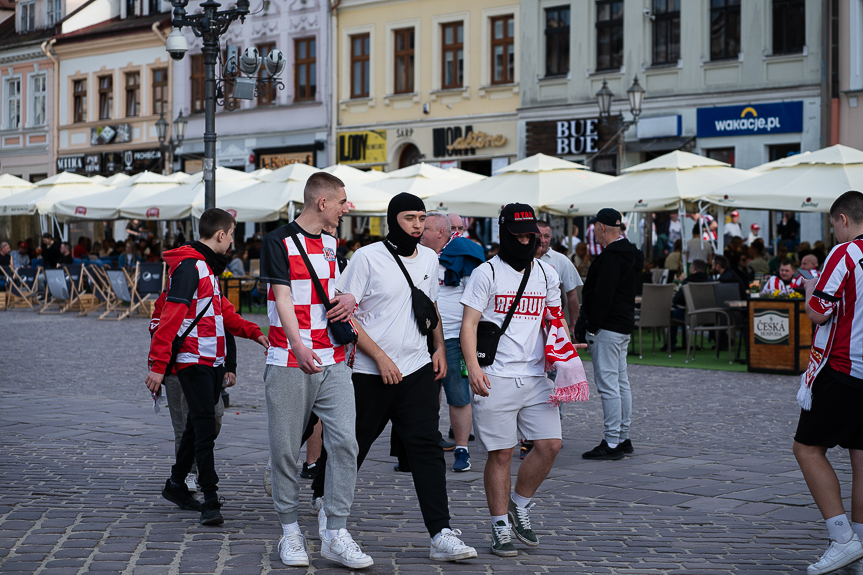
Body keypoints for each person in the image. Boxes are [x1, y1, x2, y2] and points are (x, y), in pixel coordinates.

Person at [317, 192, 477, 563]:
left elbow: (430, 303)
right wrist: (380, 357)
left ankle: (441, 533)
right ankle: (330, 514)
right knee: (350, 447)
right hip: (370, 373)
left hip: (417, 369)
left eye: (421, 218)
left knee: (426, 450)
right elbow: (344, 314)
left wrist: (438, 346)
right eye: (409, 218)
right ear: (393, 220)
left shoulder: (430, 257)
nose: (417, 225)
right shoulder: (367, 257)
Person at [259, 172, 372, 568]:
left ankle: (335, 532)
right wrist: (297, 344)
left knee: (345, 443)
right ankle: (290, 532)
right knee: (286, 450)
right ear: (322, 203)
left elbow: (329, 287)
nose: (347, 207)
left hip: (333, 357)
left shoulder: (330, 241)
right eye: (342, 201)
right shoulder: (276, 240)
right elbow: (283, 296)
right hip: (291, 360)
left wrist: (346, 299)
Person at [460, 203, 586, 557]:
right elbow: (468, 324)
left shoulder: (547, 273)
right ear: (504, 235)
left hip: (535, 377)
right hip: (495, 374)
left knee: (550, 445)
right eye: (517, 235)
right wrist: (473, 366)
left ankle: (519, 504)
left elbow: (553, 318)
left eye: (530, 235)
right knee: (501, 454)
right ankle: (500, 527)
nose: (525, 240)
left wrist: (563, 350)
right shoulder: (486, 273)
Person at [145, 208, 269, 527]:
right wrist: (158, 367)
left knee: (195, 426)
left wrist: (255, 333)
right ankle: (211, 499)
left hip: (212, 360)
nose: (232, 242)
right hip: (192, 360)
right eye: (231, 236)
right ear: (220, 235)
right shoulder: (191, 266)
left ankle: (175, 484)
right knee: (203, 426)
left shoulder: (206, 268)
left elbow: (223, 312)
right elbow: (171, 318)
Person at [794, 190, 863, 575]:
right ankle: (860, 543)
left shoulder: (845, 253)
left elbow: (819, 312)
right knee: (862, 459)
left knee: (806, 449)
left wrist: (809, 289)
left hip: (842, 367)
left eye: (833, 224)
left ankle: (842, 539)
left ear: (842, 220)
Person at [575, 208, 643, 460]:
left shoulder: (611, 257)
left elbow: (602, 295)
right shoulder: (631, 254)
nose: (593, 232)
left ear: (602, 228)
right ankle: (622, 437)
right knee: (620, 382)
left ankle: (613, 441)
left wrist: (591, 325)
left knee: (609, 385)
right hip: (622, 324)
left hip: (608, 327)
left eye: (594, 228)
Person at [150, 290, 234, 494]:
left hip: (208, 368)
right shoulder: (168, 297)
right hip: (178, 372)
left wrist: (230, 364)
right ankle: (188, 473)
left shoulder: (212, 293)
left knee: (214, 418)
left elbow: (227, 326)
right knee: (183, 425)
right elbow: (157, 332)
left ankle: (189, 468)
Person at [420, 211, 485, 472]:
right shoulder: (416, 255)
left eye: (424, 229)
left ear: (440, 233)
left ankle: (462, 449)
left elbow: (476, 299)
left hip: (454, 337)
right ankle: (426, 443)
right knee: (423, 395)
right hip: (421, 337)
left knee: (458, 396)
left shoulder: (463, 255)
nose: (418, 232)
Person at [536, 220, 582, 333]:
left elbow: (572, 295)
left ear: (551, 237)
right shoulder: (523, 259)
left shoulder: (562, 260)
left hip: (553, 323)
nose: (543, 240)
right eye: (539, 236)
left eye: (546, 236)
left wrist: (573, 325)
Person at [668, 259, 711, 351]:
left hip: (690, 315)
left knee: (671, 313)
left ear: (694, 269)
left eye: (691, 267)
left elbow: (676, 300)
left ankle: (671, 344)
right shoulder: (710, 281)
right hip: (709, 315)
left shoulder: (688, 282)